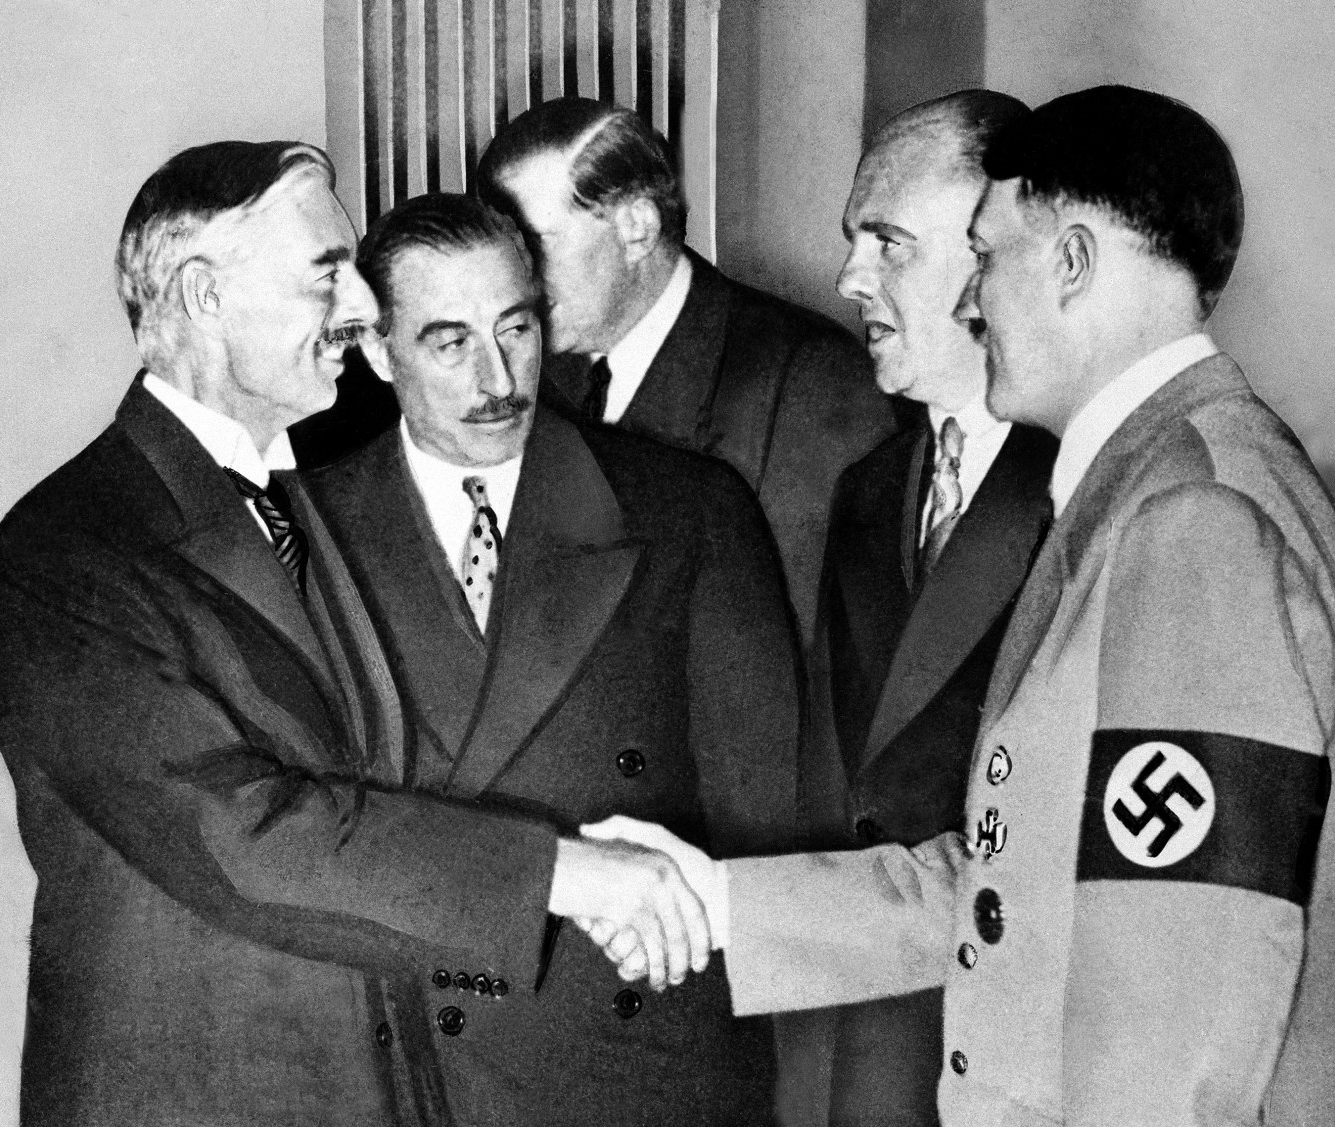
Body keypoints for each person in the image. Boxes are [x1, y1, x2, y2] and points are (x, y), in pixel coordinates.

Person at [587, 86, 1335, 1127]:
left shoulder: (1195, 517)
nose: (974, 302)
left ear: (1071, 262)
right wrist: (717, 898)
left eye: (989, 256)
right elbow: (1019, 876)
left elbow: (1175, 1016)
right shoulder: (1148, 487)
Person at [0, 142, 724, 1127]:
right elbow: (237, 833)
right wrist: (561, 874)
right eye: (327, 274)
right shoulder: (70, 548)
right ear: (203, 297)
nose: (362, 310)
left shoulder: (305, 495)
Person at [300, 192, 800, 1127]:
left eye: (517, 329)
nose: (498, 378)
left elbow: (764, 814)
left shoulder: (686, 509)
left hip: (633, 1059)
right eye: (450, 343)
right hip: (406, 1064)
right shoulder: (308, 528)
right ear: (378, 349)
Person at [784, 89, 1054, 1127]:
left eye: (886, 242)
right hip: (872, 1044)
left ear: (991, 254)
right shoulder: (870, 486)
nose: (850, 277)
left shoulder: (1100, 494)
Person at [474, 96, 901, 645]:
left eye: (533, 244)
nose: (515, 283)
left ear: (637, 228)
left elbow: (810, 662)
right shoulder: (541, 373)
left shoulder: (808, 382)